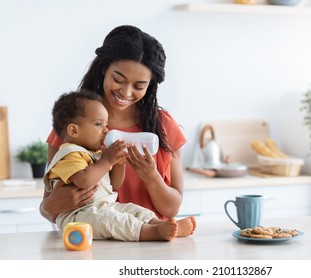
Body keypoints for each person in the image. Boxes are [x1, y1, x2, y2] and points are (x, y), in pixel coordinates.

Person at [40, 25, 196, 237]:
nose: (126, 92)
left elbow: (171, 209)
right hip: (94, 244)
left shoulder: (163, 125)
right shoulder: (73, 127)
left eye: (139, 86)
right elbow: (48, 207)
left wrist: (151, 177)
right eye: (118, 79)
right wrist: (50, 206)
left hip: (155, 247)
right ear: (104, 68)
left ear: (150, 86)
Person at [45, 90, 178, 241]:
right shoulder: (69, 153)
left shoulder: (95, 154)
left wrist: (118, 164)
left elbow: (114, 184)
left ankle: (161, 225)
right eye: (98, 124)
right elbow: (83, 181)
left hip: (104, 206)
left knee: (130, 209)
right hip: (79, 216)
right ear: (74, 130)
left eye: (106, 124)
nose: (106, 130)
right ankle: (154, 233)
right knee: (111, 220)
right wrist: (107, 160)